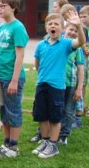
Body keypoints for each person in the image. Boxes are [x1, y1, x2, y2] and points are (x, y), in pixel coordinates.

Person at [31, 11, 85, 159]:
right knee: (42, 115)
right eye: (50, 24)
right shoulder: (41, 45)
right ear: (46, 28)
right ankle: (45, 141)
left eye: (56, 24)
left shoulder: (66, 44)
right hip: (41, 84)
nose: (53, 26)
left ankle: (53, 145)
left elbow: (80, 42)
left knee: (55, 117)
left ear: (62, 28)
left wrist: (79, 27)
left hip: (57, 87)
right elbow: (37, 63)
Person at [0, 0, 29, 159]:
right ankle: (6, 144)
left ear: (13, 7)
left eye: (3, 6)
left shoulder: (18, 28)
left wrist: (14, 80)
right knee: (3, 111)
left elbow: (20, 56)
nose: (0, 9)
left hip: (12, 78)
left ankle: (13, 146)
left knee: (13, 111)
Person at [59, 22, 84, 145]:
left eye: (76, 31)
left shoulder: (77, 48)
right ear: (64, 29)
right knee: (54, 109)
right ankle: (43, 133)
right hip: (56, 83)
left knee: (68, 111)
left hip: (70, 84)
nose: (73, 32)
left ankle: (64, 135)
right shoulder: (57, 43)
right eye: (71, 29)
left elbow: (80, 68)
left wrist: (79, 88)